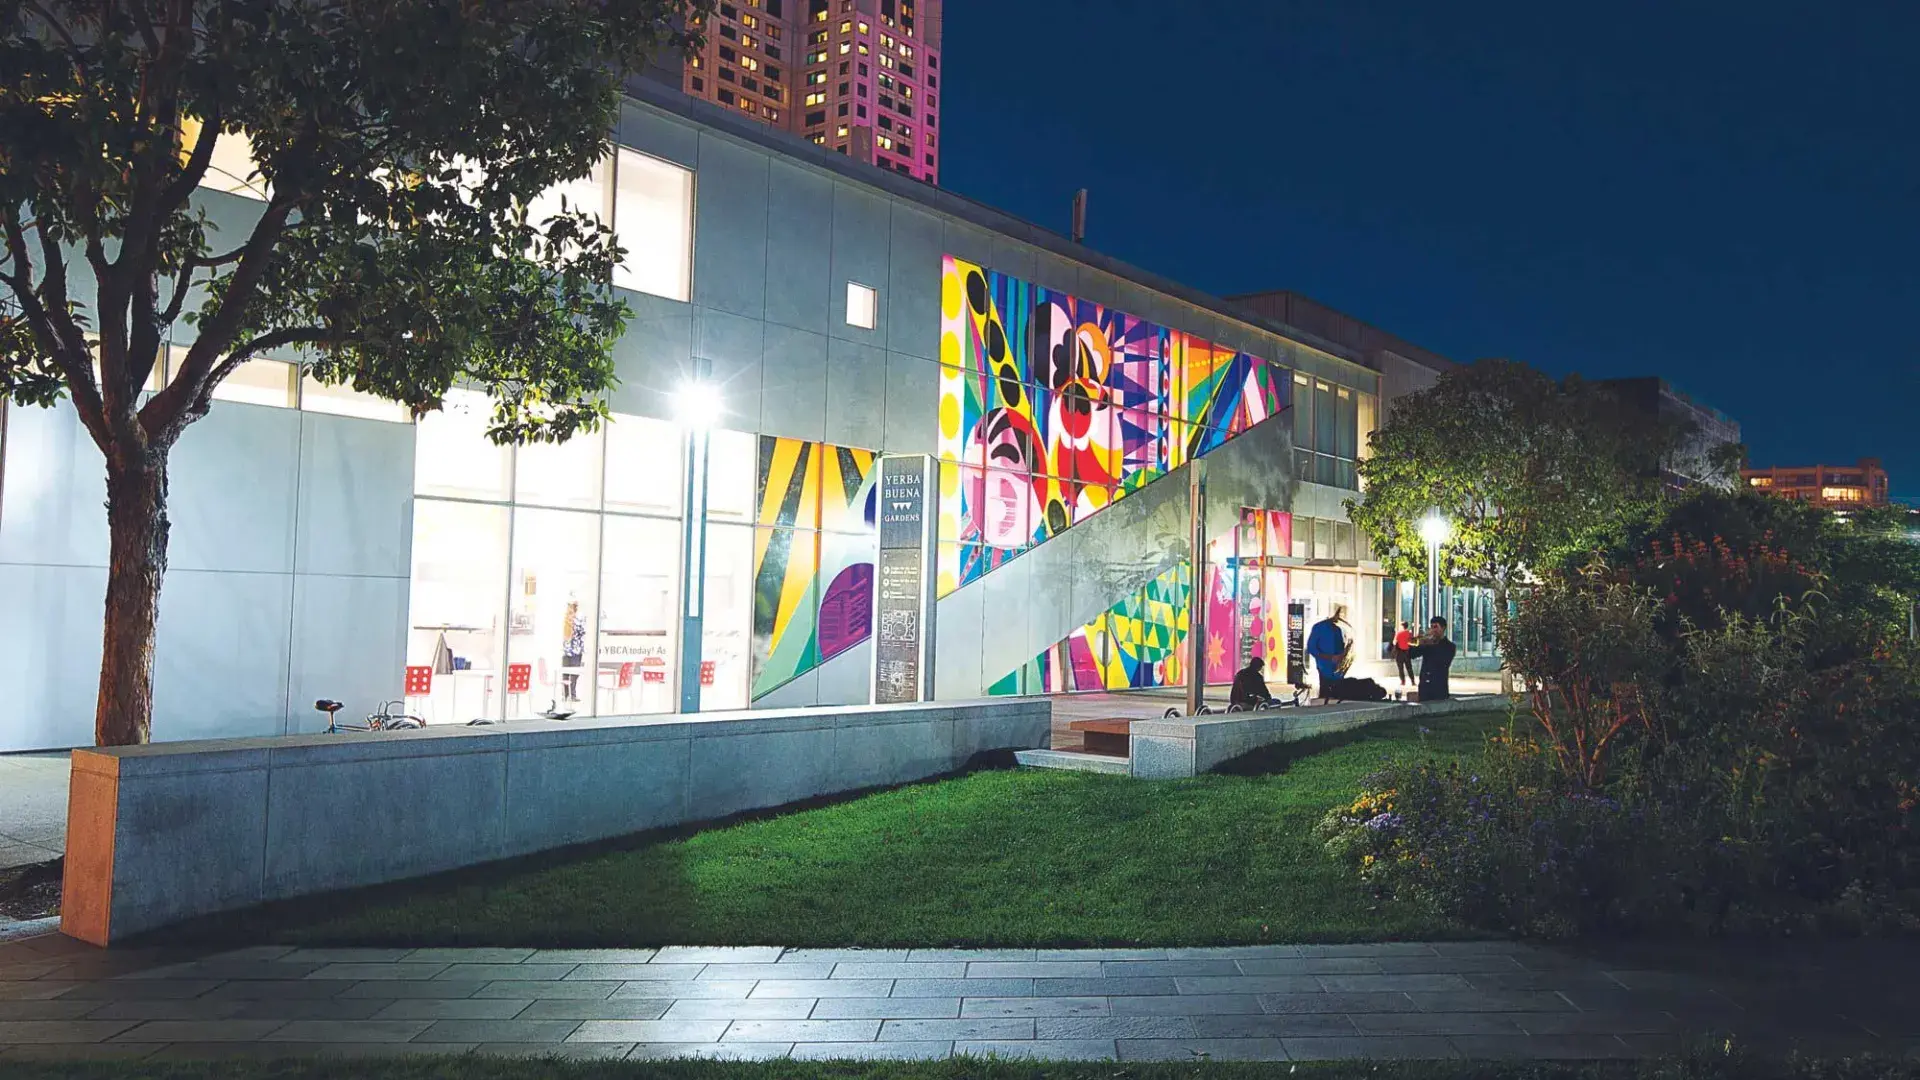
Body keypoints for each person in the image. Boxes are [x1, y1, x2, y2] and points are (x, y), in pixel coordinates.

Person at [1406, 616, 1457, 701]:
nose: (1433, 630)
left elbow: (1443, 662)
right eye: (1432, 627)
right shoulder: (1427, 644)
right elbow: (1411, 655)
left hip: (1439, 687)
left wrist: (1431, 644)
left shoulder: (1450, 646)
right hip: (1424, 687)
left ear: (1443, 628)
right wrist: (1419, 642)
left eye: (1436, 627)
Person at [1305, 603, 1350, 694]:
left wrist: (1345, 654)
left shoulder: (1338, 629)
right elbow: (1311, 648)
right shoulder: (1319, 627)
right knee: (1325, 691)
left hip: (1338, 667)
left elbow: (1341, 646)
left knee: (1338, 691)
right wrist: (1329, 657)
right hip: (1325, 666)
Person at [1393, 621, 1416, 687]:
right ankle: (1413, 681)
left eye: (1400, 626)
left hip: (1400, 653)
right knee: (1409, 668)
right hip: (1407, 653)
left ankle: (1403, 681)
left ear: (1402, 626)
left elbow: (1394, 642)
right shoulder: (1409, 633)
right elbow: (1412, 642)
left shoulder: (1399, 634)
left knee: (1401, 668)